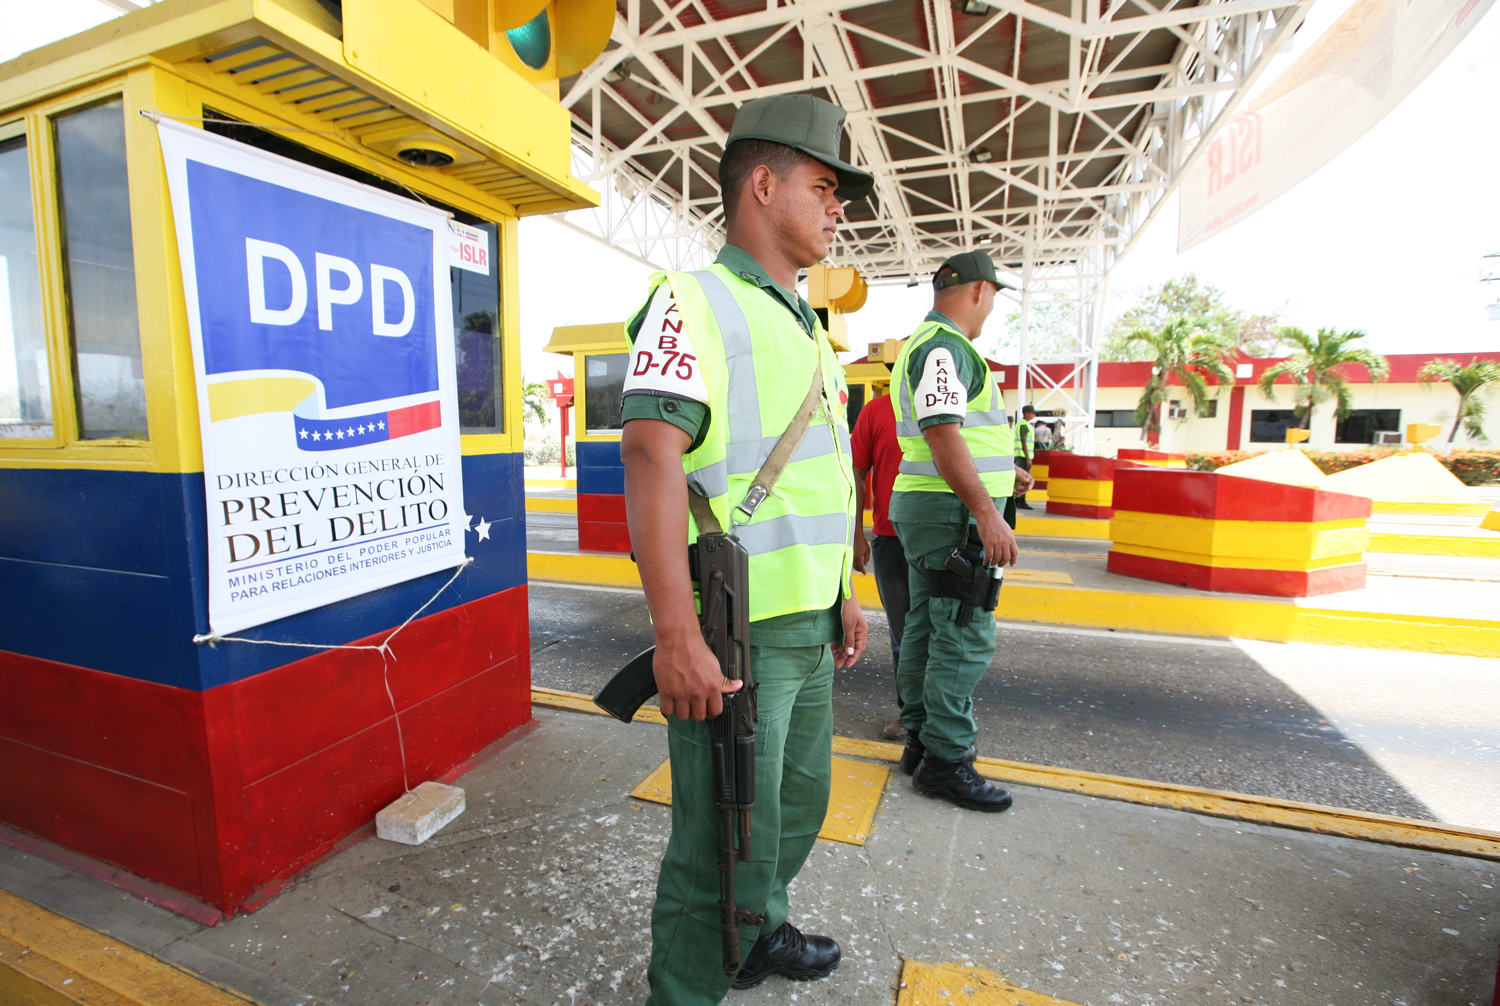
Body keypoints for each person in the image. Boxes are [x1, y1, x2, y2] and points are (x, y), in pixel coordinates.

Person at [618, 93, 873, 1005]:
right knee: (718, 844)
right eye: (824, 186)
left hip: (807, 624)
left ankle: (758, 933)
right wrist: (675, 635)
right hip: (736, 633)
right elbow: (651, 454)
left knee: (794, 809)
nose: (837, 207)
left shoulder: (809, 327)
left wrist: (843, 589)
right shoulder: (694, 302)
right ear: (763, 185)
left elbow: (821, 479)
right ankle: (686, 988)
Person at [887, 250, 1033, 812]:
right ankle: (946, 762)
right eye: (994, 294)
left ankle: (921, 744)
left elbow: (952, 434)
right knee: (963, 633)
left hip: (929, 510)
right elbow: (943, 432)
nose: (993, 306)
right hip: (951, 515)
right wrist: (987, 512)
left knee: (926, 630)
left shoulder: (927, 346)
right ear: (978, 291)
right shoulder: (945, 347)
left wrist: (1004, 474)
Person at [850, 390, 909, 741]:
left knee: (945, 634)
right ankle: (912, 713)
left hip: (944, 540)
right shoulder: (876, 411)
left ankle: (944, 715)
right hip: (891, 540)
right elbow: (856, 474)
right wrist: (858, 534)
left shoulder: (952, 403)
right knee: (904, 634)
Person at [1015, 405, 1036, 511]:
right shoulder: (1023, 425)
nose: (1034, 415)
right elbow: (1024, 442)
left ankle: (1018, 501)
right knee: (1024, 479)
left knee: (1022, 479)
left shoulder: (1024, 424)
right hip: (1022, 456)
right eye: (1032, 413)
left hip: (1022, 455)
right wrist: (1028, 458)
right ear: (1026, 413)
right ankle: (1021, 501)